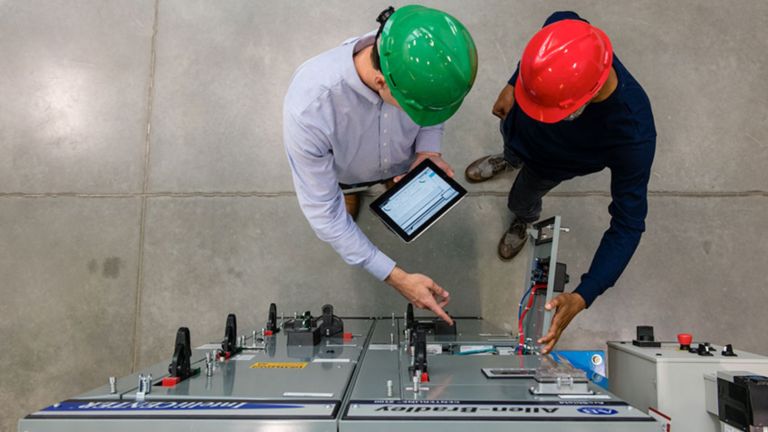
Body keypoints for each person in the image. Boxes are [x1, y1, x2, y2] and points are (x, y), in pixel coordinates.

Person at [465, 11, 656, 353]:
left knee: (521, 198)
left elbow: (628, 224)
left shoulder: (631, 134)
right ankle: (508, 158)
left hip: (549, 165)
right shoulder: (572, 39)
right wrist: (514, 85)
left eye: (545, 106)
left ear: (579, 103)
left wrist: (585, 294)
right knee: (513, 148)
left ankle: (523, 219)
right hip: (517, 130)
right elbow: (559, 17)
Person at [283, 5, 477, 324]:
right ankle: (352, 191)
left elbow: (432, 109)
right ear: (381, 82)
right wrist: (397, 277)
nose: (423, 116)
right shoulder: (310, 110)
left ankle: (390, 181)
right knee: (342, 206)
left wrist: (427, 151)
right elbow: (324, 215)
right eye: (415, 110)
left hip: (403, 163)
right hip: (347, 172)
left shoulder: (421, 59)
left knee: (396, 184)